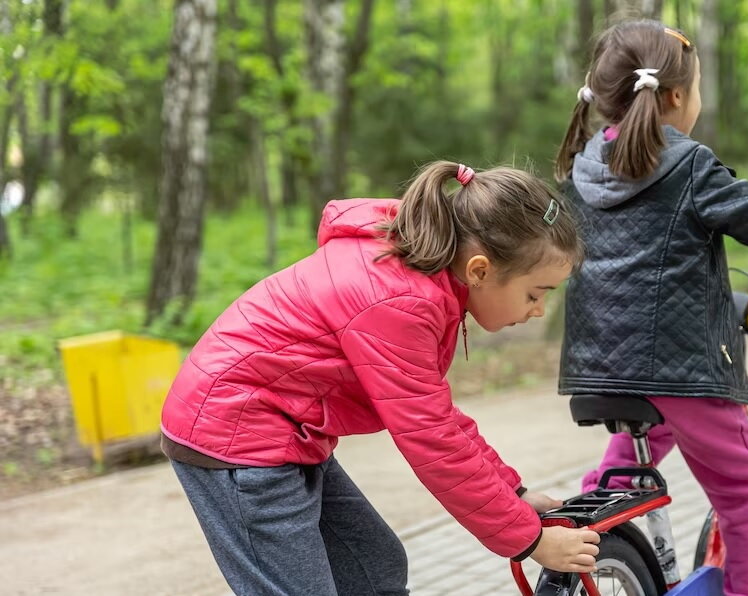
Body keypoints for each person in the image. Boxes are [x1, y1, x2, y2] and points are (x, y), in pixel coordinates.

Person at [160, 161, 599, 595]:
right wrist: (532, 540)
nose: (538, 310)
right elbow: (434, 444)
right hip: (235, 437)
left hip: (283, 431)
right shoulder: (400, 300)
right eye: (535, 293)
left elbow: (438, 418)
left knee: (374, 570)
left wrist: (514, 493)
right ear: (480, 270)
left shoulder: (424, 280)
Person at [555, 21, 748, 596]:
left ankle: (601, 533)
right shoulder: (689, 164)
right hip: (680, 371)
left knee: (630, 462)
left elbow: (638, 274)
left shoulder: (582, 169)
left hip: (602, 367)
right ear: (675, 96)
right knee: (746, 489)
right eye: (698, 87)